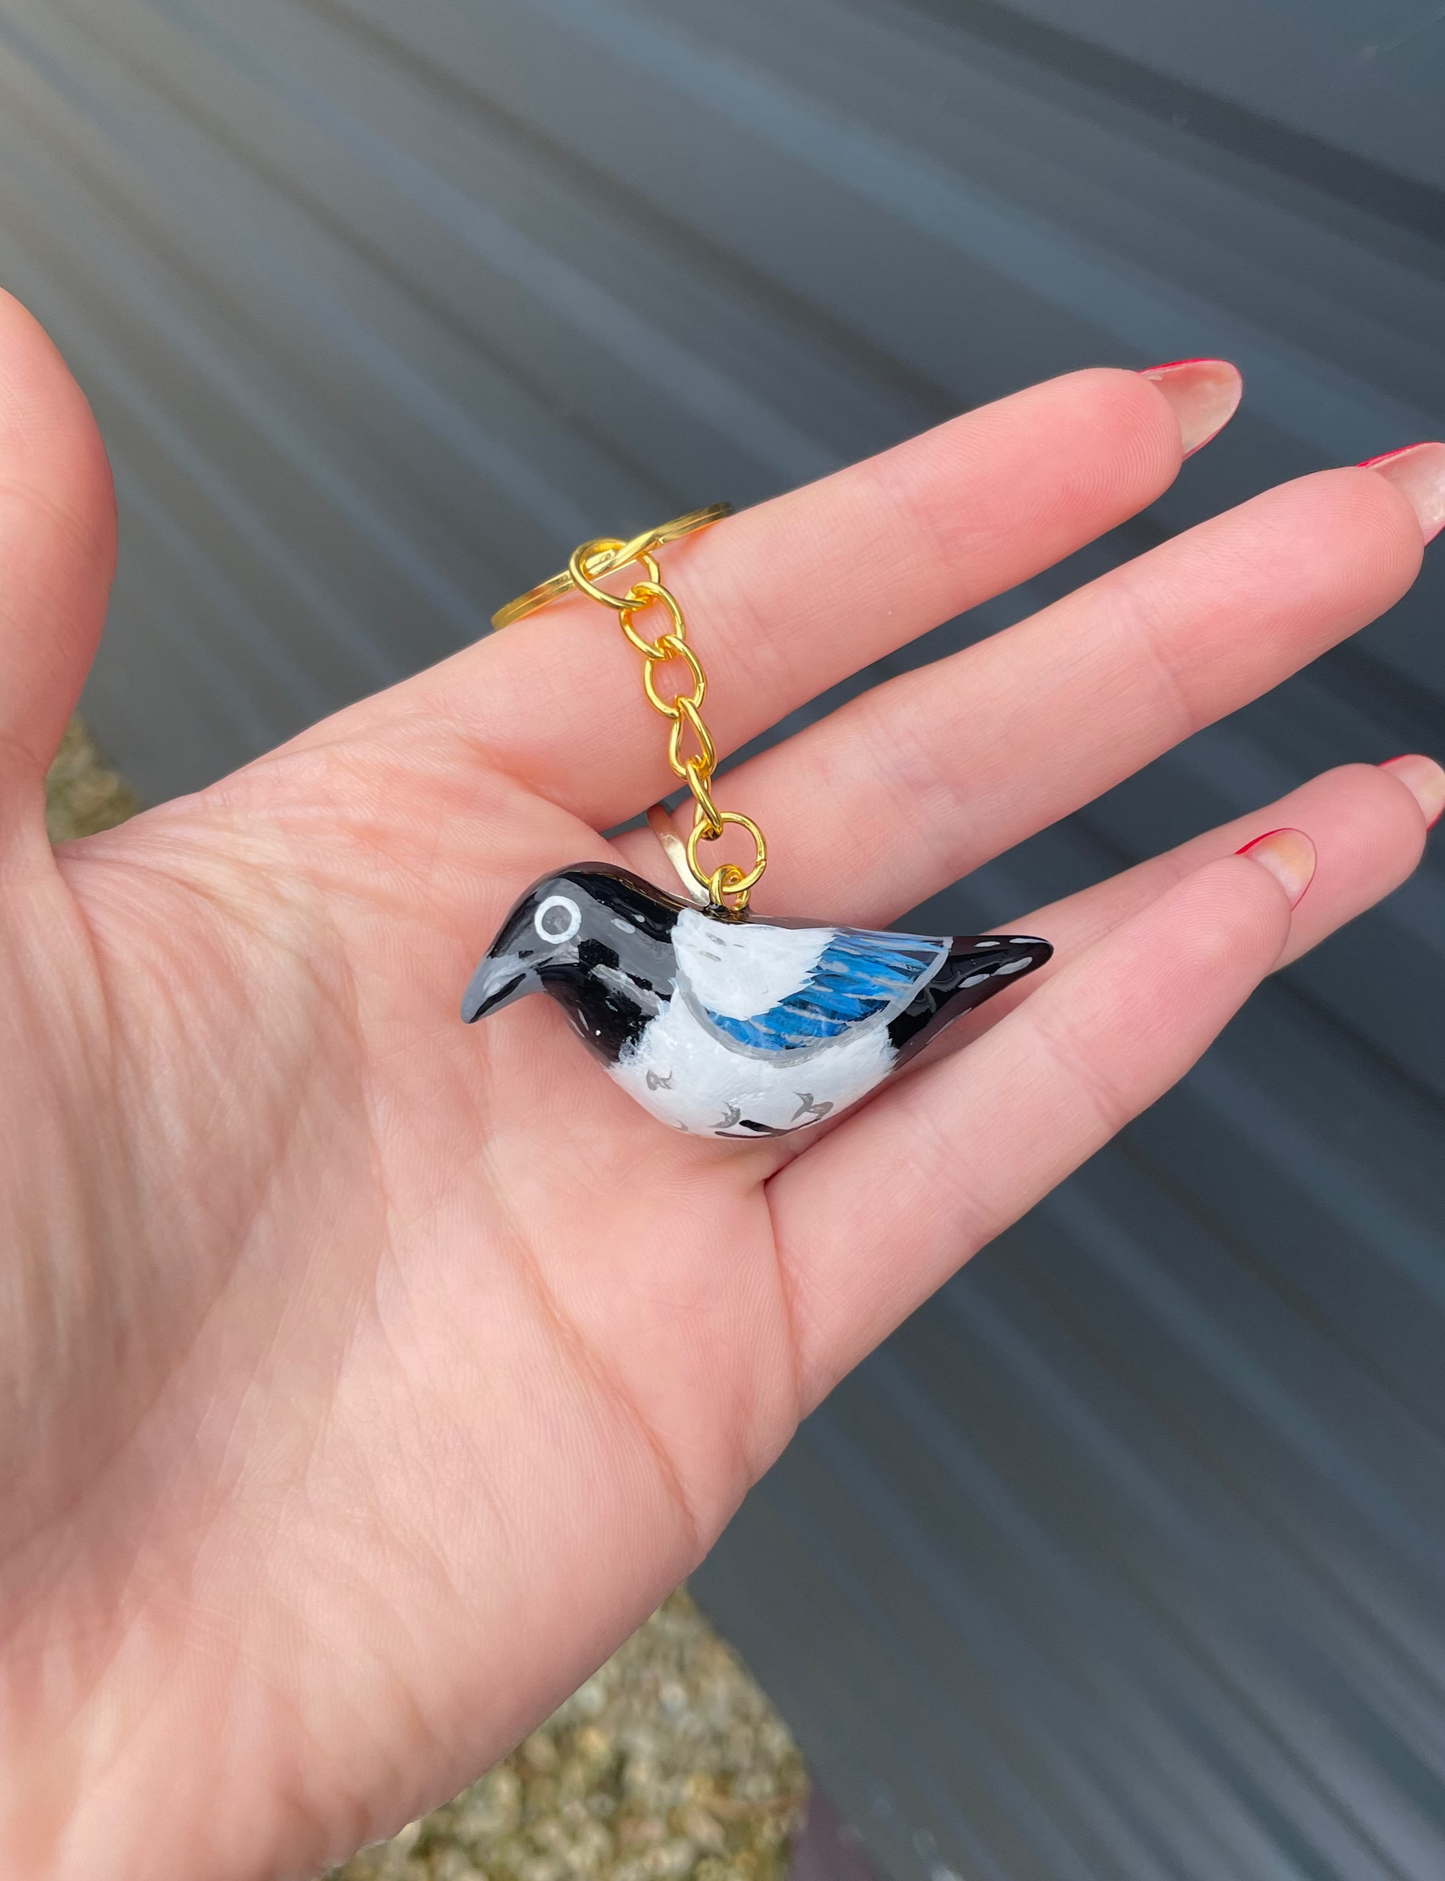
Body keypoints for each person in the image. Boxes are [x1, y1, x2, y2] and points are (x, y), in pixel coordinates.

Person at [0, 293, 1439, 1881]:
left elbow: (837, 1003)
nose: (532, 966)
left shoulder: (696, 990)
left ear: (591, 930)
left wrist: (946, 977)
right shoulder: (632, 1021)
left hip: (858, 1022)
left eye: (543, 940)